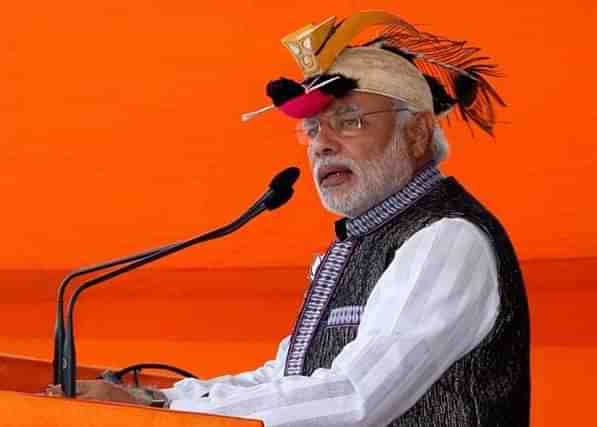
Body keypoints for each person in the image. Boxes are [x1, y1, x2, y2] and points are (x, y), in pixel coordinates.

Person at [48, 11, 530, 426]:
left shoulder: (446, 239)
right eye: (313, 128)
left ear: (419, 133)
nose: (322, 143)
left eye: (350, 121)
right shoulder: (364, 241)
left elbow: (356, 398)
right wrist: (156, 401)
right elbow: (288, 379)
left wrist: (171, 415)